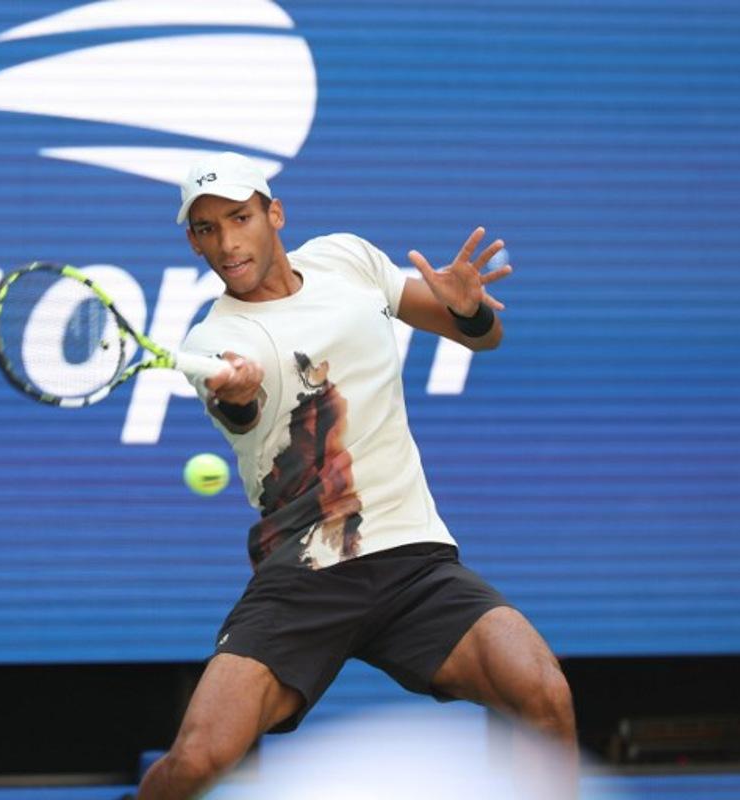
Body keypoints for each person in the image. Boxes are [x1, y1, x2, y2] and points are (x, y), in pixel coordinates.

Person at [135, 152, 576, 800]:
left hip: (412, 559)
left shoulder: (346, 259)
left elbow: (484, 338)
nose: (227, 243)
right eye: (205, 229)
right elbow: (243, 402)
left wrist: (468, 309)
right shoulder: (213, 342)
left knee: (542, 692)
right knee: (200, 760)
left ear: (273, 213)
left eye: (239, 217)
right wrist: (239, 389)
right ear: (192, 241)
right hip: (306, 573)